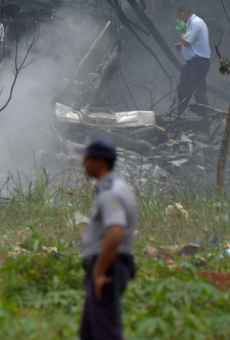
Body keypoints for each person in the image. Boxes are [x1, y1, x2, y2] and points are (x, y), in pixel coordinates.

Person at [78, 135, 138, 340]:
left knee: (106, 333)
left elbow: (115, 233)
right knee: (89, 333)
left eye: (87, 159)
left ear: (98, 162)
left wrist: (99, 272)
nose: (83, 164)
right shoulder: (114, 187)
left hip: (108, 270)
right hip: (106, 267)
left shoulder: (111, 192)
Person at [172, 4, 211, 116]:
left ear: (183, 14)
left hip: (198, 63)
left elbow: (186, 41)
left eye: (179, 17)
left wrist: (181, 30)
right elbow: (192, 43)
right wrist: (182, 47)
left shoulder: (195, 23)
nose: (180, 20)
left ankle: (204, 118)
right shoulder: (192, 23)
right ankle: (180, 117)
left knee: (198, 90)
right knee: (182, 89)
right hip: (191, 64)